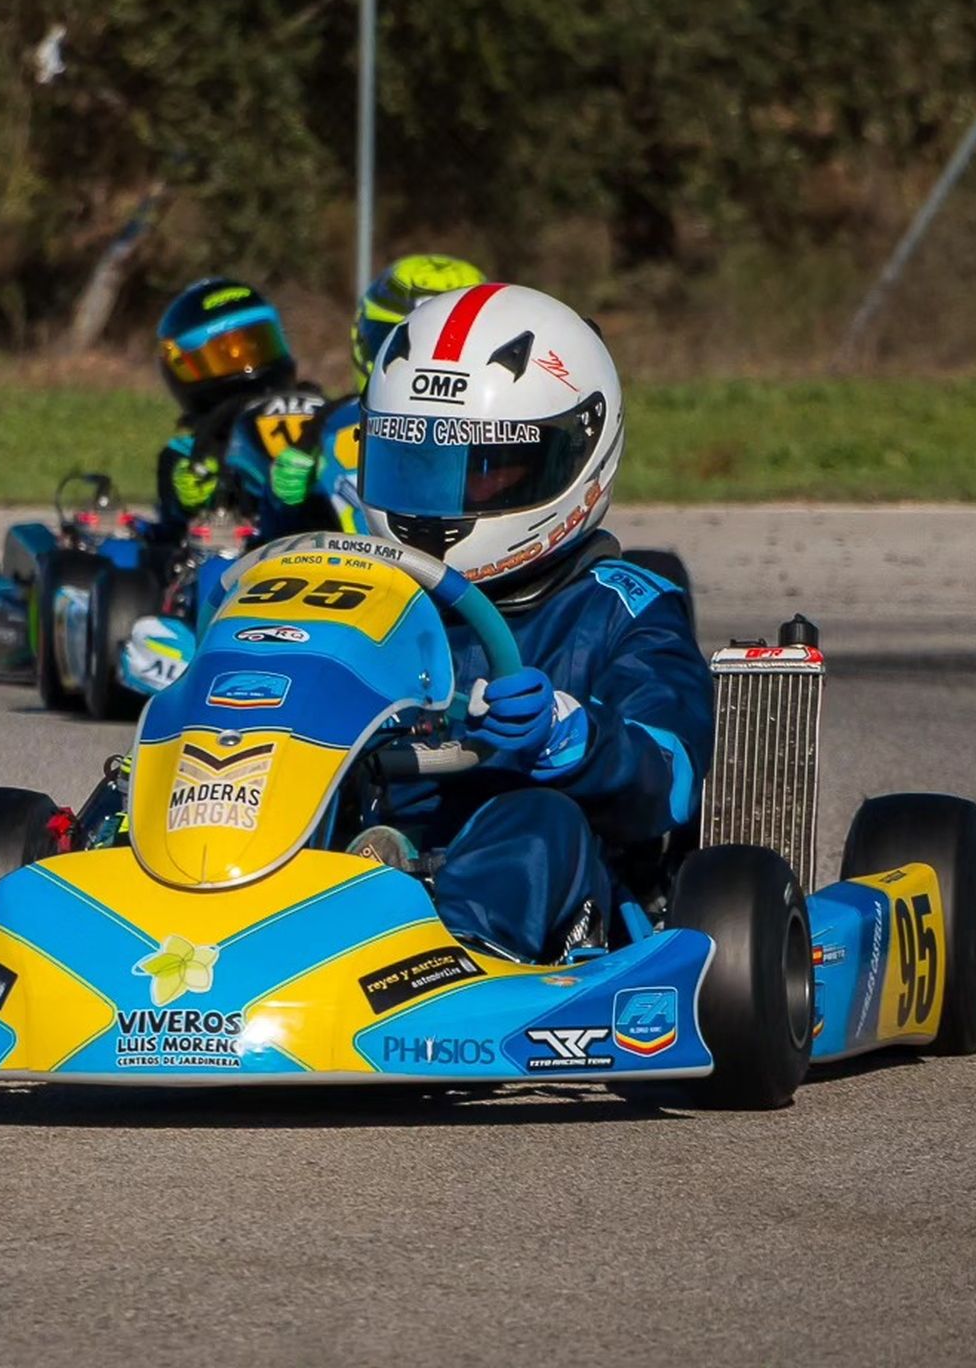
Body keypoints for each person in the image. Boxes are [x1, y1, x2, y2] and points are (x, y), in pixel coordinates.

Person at [354, 281, 713, 963]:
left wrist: (570, 734)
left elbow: (672, 778)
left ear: (572, 457)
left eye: (483, 471)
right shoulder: (362, 592)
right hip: (366, 849)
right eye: (418, 465)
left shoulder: (624, 607)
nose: (439, 503)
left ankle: (453, 967)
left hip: (554, 878)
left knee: (535, 819)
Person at [267, 254, 487, 524]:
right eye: (396, 345)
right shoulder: (330, 424)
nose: (416, 367)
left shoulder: (499, 438)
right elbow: (280, 533)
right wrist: (282, 500)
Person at [151, 277, 325, 538]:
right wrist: (191, 495)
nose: (248, 363)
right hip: (245, 550)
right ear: (182, 368)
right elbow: (173, 514)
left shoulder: (323, 415)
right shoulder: (190, 451)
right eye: (223, 354)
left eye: (257, 344)